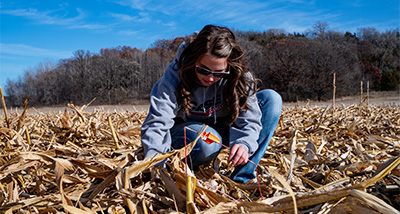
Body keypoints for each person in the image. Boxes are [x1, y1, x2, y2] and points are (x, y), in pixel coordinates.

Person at [141, 25, 282, 184]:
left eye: (218, 73)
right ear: (194, 60)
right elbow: (157, 121)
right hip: (189, 132)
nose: (210, 78)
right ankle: (179, 170)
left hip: (225, 127)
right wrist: (155, 164)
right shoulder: (175, 73)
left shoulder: (240, 76)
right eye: (204, 70)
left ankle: (242, 178)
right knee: (209, 142)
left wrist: (244, 143)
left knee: (271, 99)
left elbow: (250, 120)